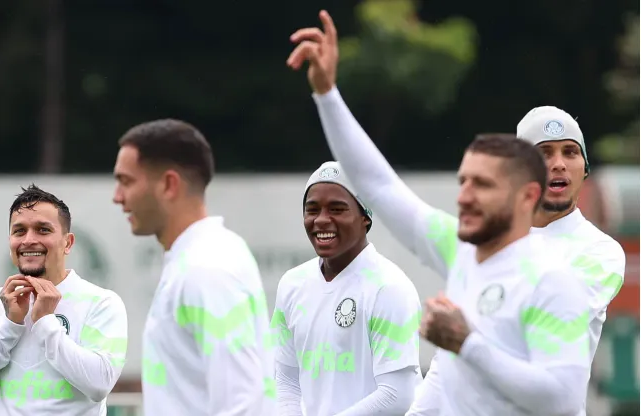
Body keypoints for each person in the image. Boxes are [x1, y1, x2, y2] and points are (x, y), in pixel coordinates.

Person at [286, 10, 625, 416]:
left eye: (481, 184)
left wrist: (466, 340)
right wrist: (327, 95)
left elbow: (560, 398)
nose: (465, 196)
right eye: (463, 183)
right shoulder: (466, 251)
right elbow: (379, 185)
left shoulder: (575, 265)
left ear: (522, 188)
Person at [112, 118, 275, 415]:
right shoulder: (201, 256)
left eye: (126, 181)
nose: (117, 197)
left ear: (169, 184)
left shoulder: (206, 267)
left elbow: (241, 402)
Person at [0, 184, 129, 416]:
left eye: (43, 230)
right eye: (19, 231)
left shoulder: (101, 302)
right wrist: (9, 326)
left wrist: (45, 322)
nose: (29, 240)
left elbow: (99, 384)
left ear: (68, 242)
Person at [272, 161, 421, 416]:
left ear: (365, 217)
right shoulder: (292, 284)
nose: (321, 220)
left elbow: (397, 395)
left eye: (337, 209)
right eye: (312, 209)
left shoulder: (390, 287)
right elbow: (285, 378)